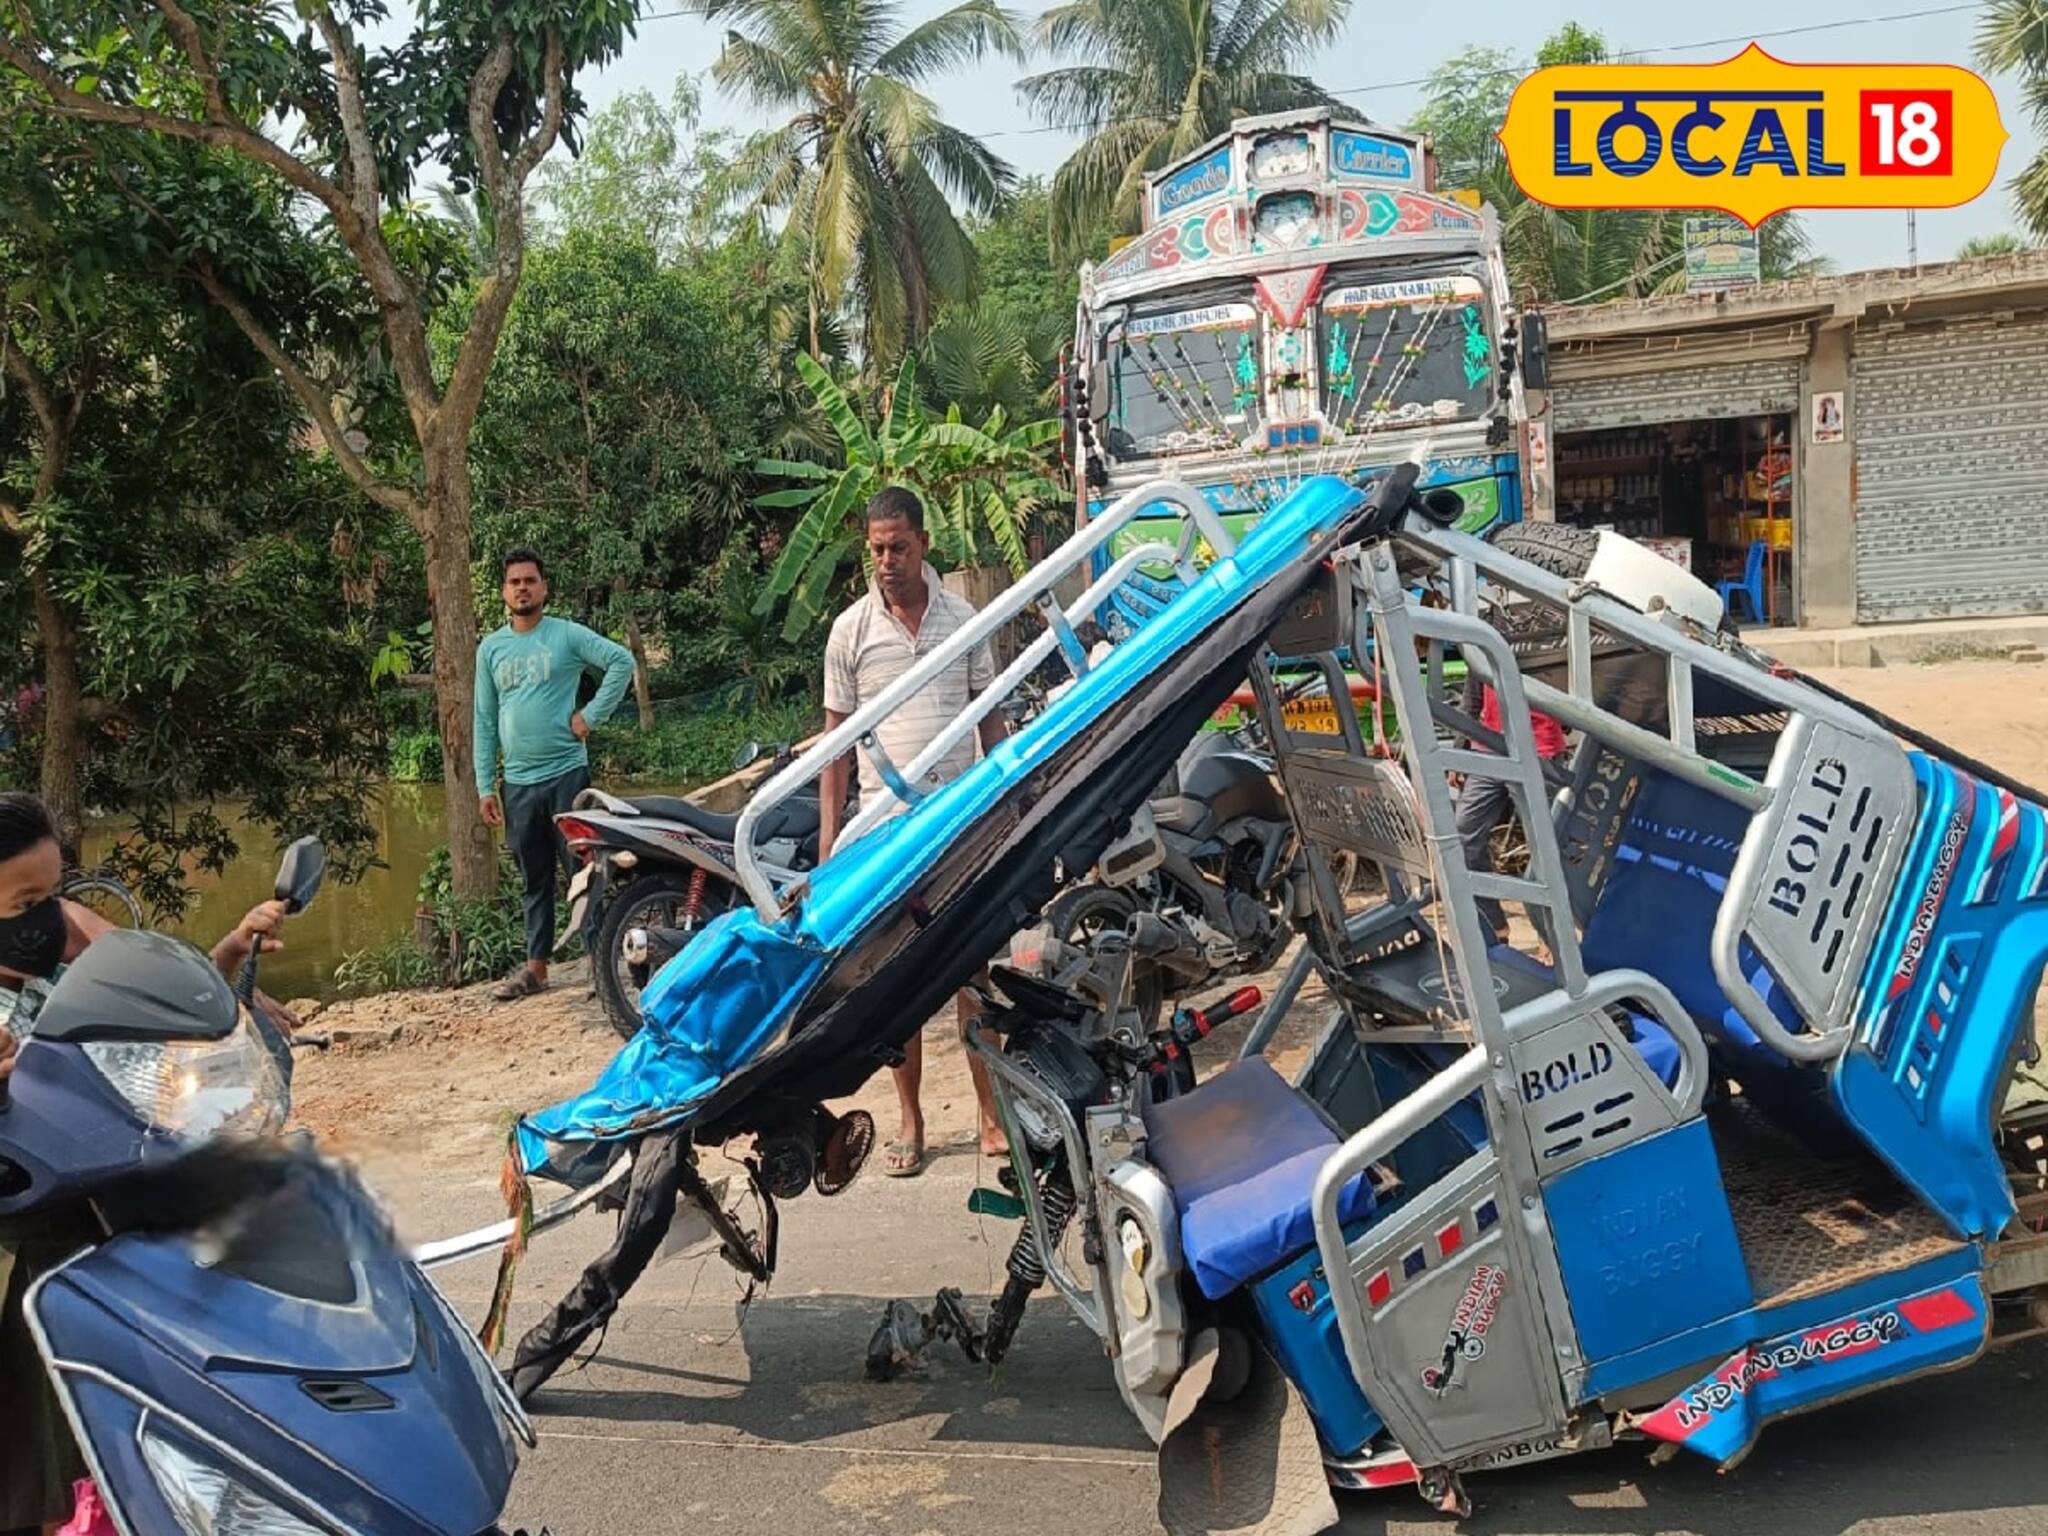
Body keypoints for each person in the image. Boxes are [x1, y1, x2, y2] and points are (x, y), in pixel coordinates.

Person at [0, 791, 294, 1536]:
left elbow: (145, 1007)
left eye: (54, 892)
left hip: (112, 1212)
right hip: (35, 1245)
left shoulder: (55, 968)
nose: (49, 917)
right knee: (47, 1445)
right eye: (25, 903)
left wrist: (225, 961)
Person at [818, 487, 1009, 1177]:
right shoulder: (850, 632)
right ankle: (911, 1120)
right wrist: (829, 849)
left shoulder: (963, 620)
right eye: (876, 549)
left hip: (958, 825)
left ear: (924, 544)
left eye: (898, 546)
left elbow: (992, 719)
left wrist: (1005, 805)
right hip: (887, 837)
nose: (887, 560)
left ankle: (990, 1114)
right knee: (898, 983)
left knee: (971, 971)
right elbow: (833, 750)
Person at [474, 549, 636, 1002]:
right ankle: (536, 969)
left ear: (544, 588)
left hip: (567, 774)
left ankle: (600, 966)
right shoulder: (491, 649)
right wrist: (485, 785)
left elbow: (622, 662)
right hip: (518, 783)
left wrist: (590, 716)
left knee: (584, 872)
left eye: (530, 580)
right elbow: (484, 719)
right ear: (504, 592)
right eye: (514, 582)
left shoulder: (565, 635)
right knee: (534, 878)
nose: (522, 588)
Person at [1454, 670, 1568, 948]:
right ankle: (1494, 925)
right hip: (1488, 747)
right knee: (1463, 834)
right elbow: (1472, 698)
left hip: (1538, 750)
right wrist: (1460, 749)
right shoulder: (1482, 644)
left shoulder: (1547, 646)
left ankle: (1552, 936)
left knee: (1545, 845)